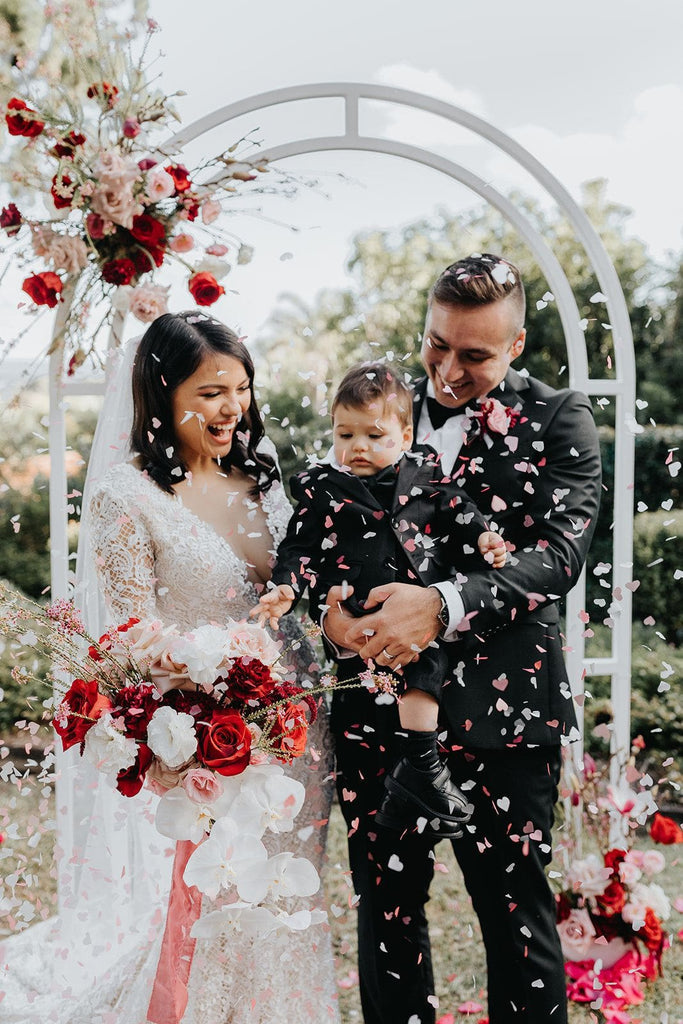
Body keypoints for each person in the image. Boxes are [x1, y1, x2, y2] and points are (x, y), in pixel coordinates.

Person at [0, 312, 339, 1024]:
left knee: (287, 894)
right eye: (211, 390)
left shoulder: (261, 482)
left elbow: (300, 587)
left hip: (294, 735)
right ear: (163, 388)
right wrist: (194, 692)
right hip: (210, 741)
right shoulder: (126, 497)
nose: (232, 408)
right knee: (212, 899)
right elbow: (128, 636)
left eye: (241, 389)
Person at [322, 255, 602, 1024]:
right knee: (386, 915)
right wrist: (329, 616)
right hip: (375, 711)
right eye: (434, 345)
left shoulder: (559, 419)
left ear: (515, 345)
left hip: (505, 721)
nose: (445, 371)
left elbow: (558, 559)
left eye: (472, 355)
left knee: (514, 916)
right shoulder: (381, 408)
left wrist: (442, 606)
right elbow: (325, 533)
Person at [254, 361, 506, 838]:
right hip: (357, 619)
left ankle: (420, 770)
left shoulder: (427, 473)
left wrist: (484, 539)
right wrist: (288, 586)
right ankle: (398, 798)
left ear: (405, 435)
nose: (357, 448)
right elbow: (300, 547)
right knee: (364, 719)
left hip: (412, 615)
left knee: (424, 670)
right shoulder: (320, 488)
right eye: (344, 435)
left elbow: (459, 510)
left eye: (373, 435)